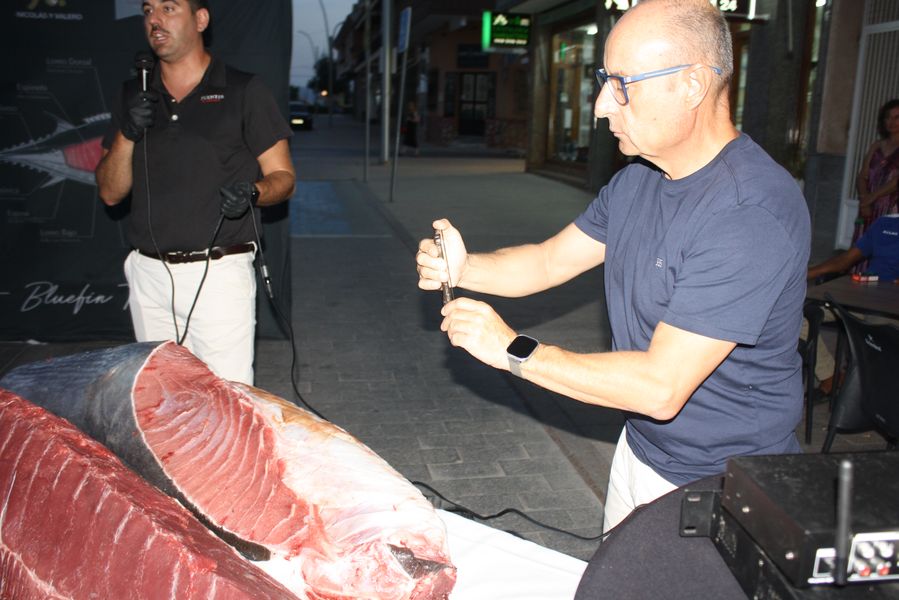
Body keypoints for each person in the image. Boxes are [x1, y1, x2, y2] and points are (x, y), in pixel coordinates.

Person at [416, 0, 810, 532]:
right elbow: (548, 261)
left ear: (692, 85)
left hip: (722, 483)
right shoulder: (638, 180)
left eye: (622, 84)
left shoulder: (750, 213)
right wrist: (466, 269)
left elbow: (660, 388)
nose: (601, 106)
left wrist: (512, 350)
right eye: (603, 80)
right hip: (641, 447)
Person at [95, 0, 295, 385]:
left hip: (219, 273)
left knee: (227, 399)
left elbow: (284, 177)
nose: (155, 19)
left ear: (200, 19)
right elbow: (110, 193)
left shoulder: (243, 90)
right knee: (159, 399)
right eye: (148, 10)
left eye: (169, 8)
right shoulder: (134, 94)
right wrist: (127, 133)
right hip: (149, 273)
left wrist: (253, 192)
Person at [805, 213, 899, 394]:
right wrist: (806, 273)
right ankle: (830, 377)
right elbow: (845, 260)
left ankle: (865, 393)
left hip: (889, 309)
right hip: (861, 298)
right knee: (798, 317)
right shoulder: (885, 223)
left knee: (874, 337)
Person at [851, 98, 899, 272]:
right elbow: (862, 176)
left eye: (897, 117)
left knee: (883, 246)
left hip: (890, 207)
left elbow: (896, 182)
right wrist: (864, 199)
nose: (891, 122)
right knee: (860, 247)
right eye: (888, 117)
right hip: (868, 206)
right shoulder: (876, 146)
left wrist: (871, 198)